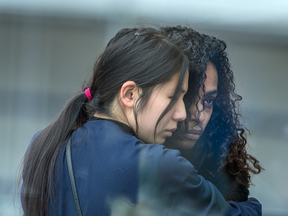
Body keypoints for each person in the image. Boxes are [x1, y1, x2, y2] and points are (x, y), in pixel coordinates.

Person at [20, 26, 261, 216]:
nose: (182, 113)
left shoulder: (43, 145)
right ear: (130, 94)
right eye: (174, 97)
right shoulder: (159, 165)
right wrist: (252, 205)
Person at [161, 26, 263, 202]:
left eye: (208, 101)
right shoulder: (130, 155)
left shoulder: (224, 174)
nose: (198, 116)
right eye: (186, 99)